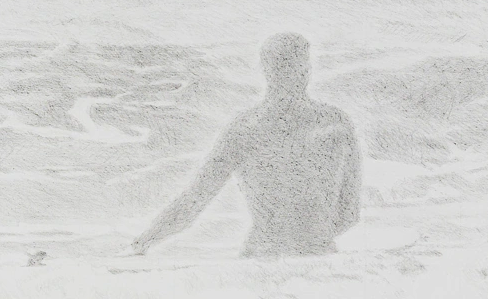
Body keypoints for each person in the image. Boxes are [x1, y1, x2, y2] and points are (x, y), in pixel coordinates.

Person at [131, 33, 361, 258]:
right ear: (307, 69)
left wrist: (145, 241)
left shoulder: (245, 129)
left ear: (266, 70)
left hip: (262, 255)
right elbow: (348, 214)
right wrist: (309, 237)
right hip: (319, 256)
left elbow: (195, 199)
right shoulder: (336, 123)